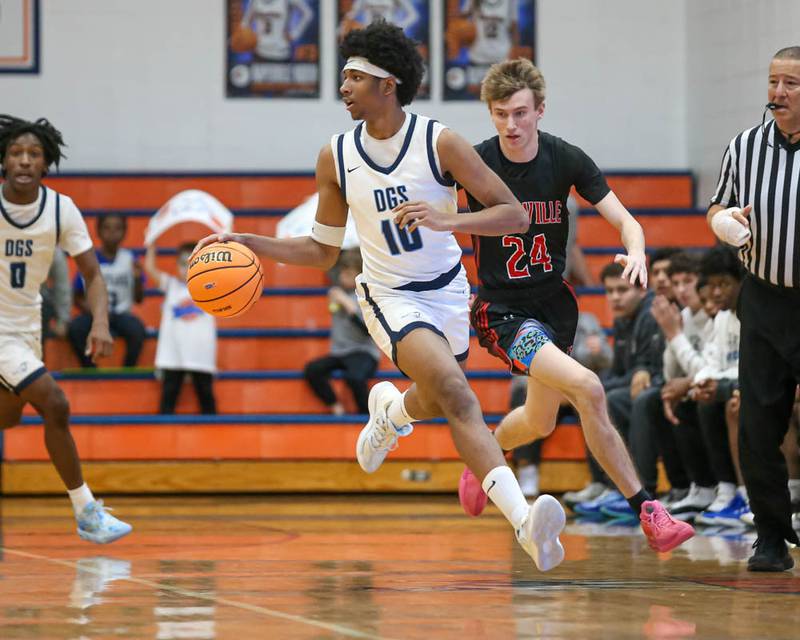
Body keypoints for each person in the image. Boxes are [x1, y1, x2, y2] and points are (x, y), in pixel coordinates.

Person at [193, 21, 567, 572]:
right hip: (389, 295)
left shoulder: (440, 142)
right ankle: (524, 524)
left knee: (436, 397)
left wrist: (447, 218)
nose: (342, 87)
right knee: (458, 395)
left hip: (446, 292)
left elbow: (514, 214)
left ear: (386, 84)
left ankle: (390, 413)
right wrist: (249, 241)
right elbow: (322, 252)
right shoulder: (336, 157)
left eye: (353, 77)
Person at [458, 58, 693, 551]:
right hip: (502, 311)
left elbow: (626, 220)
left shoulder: (566, 159)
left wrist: (634, 248)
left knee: (541, 421)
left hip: (553, 306)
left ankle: (487, 453)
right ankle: (648, 511)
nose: (511, 125)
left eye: (521, 113)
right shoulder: (475, 161)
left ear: (540, 110)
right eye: (500, 114)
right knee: (588, 388)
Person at [0, 114, 131, 543]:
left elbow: (92, 274)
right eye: (16, 152)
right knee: (55, 404)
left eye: (33, 154)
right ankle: (86, 511)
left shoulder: (60, 209)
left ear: (46, 162)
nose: (24, 160)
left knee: (8, 416)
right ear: (3, 159)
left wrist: (101, 321)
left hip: (25, 328)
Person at [707, 45, 800, 571]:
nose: (778, 93)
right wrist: (723, 224)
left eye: (790, 84)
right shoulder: (744, 147)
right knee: (758, 422)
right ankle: (770, 536)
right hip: (763, 297)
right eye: (772, 82)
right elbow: (718, 204)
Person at [510, 310, 612, 497]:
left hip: (578, 389)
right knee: (520, 395)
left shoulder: (587, 320)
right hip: (545, 388)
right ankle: (527, 468)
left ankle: (600, 480)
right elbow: (519, 371)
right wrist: (555, 389)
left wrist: (599, 353)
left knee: (594, 401)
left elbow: (608, 361)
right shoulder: (528, 322)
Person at [303, 250, 380, 415]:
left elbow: (367, 331)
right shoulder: (337, 292)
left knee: (355, 378)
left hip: (363, 352)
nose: (345, 277)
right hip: (339, 352)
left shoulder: (366, 297)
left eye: (350, 273)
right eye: (343, 273)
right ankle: (335, 405)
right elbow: (326, 263)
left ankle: (365, 415)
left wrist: (348, 305)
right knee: (312, 370)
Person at [144, 242, 217, 415]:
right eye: (184, 263)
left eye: (194, 263)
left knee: (206, 395)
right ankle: (163, 437)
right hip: (173, 352)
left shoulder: (212, 288)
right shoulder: (171, 285)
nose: (188, 268)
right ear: (176, 265)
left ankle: (215, 437)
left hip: (200, 352)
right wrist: (152, 244)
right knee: (168, 396)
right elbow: (149, 267)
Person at [68, 213, 145, 368]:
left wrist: (137, 279)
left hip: (121, 314)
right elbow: (76, 295)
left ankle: (127, 370)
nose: (112, 232)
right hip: (95, 315)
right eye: (107, 228)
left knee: (137, 330)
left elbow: (139, 298)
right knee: (75, 328)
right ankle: (90, 368)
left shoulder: (130, 259)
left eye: (117, 228)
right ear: (98, 231)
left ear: (124, 232)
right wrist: (93, 311)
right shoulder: (90, 258)